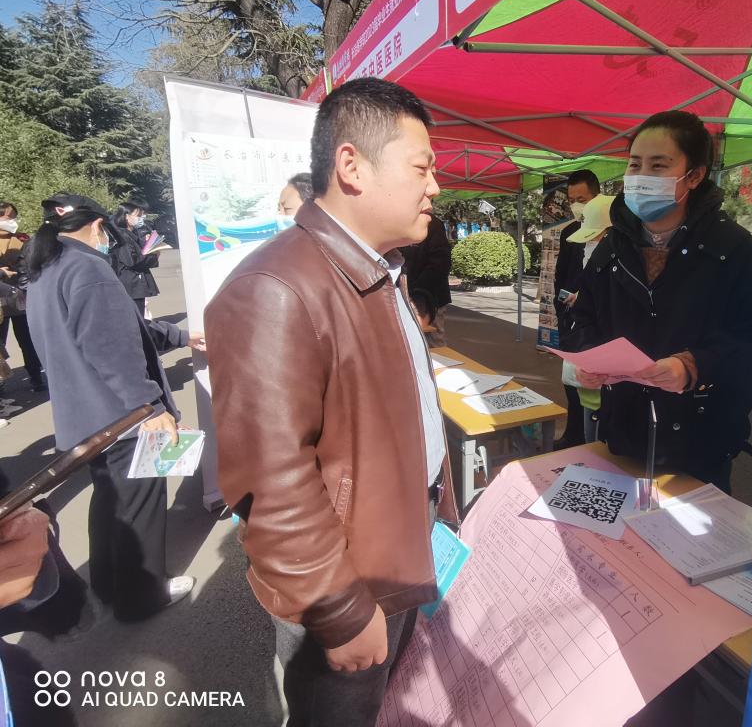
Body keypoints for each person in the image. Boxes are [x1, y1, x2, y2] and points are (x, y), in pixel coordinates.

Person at [205, 77, 459, 727]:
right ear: (351, 165)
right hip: (348, 577)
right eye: (422, 168)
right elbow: (270, 480)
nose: (435, 187)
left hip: (394, 546)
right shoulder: (276, 287)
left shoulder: (378, 268)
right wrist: (340, 610)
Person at [565, 111, 752, 493]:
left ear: (694, 175)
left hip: (699, 444)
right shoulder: (613, 245)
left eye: (659, 165)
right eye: (635, 164)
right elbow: (582, 317)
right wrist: (590, 358)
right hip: (622, 433)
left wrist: (694, 366)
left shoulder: (730, 247)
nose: (641, 176)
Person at [23, 196, 199, 621]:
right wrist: (148, 405)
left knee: (110, 501)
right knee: (141, 502)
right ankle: (142, 597)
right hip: (120, 415)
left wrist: (180, 336)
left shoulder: (48, 268)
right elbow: (111, 347)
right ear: (99, 226)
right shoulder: (88, 268)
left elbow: (120, 329)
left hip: (83, 415)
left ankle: (107, 584)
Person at [553, 169, 600, 449]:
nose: (576, 206)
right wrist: (561, 309)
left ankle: (592, 441)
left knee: (593, 386)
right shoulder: (570, 232)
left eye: (581, 199)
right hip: (571, 320)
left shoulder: (614, 235)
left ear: (597, 196)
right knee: (571, 381)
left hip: (597, 325)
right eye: (572, 200)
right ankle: (573, 435)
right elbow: (561, 275)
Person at [563, 194, 614, 443]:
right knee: (589, 431)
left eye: (595, 236)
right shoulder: (590, 257)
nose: (589, 244)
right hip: (589, 375)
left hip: (613, 380)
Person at [0, 202, 44, 391]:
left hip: (20, 297)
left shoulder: (22, 238)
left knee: (27, 340)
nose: (12, 221)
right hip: (1, 301)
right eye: (8, 217)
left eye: (14, 217)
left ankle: (36, 376)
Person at [400, 215, 452, 347]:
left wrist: (419, 294)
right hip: (400, 295)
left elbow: (441, 262)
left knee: (433, 342)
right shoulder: (395, 221)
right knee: (405, 342)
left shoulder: (432, 223)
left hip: (430, 297)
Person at [111, 198, 160, 317]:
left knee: (139, 314)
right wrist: (154, 256)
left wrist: (148, 244)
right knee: (135, 316)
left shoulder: (133, 233)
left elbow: (138, 253)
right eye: (138, 215)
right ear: (126, 216)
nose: (141, 218)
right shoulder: (122, 235)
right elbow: (132, 260)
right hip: (131, 283)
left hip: (135, 282)